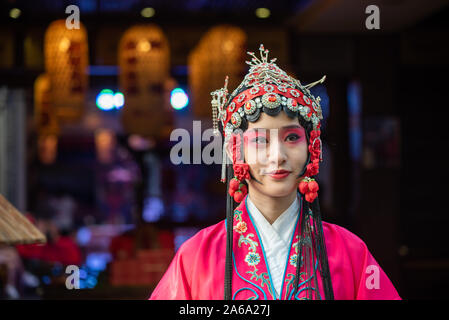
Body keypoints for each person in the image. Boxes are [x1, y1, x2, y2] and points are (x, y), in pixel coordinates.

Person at [150, 45, 401, 300]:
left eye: (292, 137)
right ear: (235, 150)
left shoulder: (350, 252)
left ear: (312, 146)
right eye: (260, 140)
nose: (278, 155)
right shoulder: (196, 256)